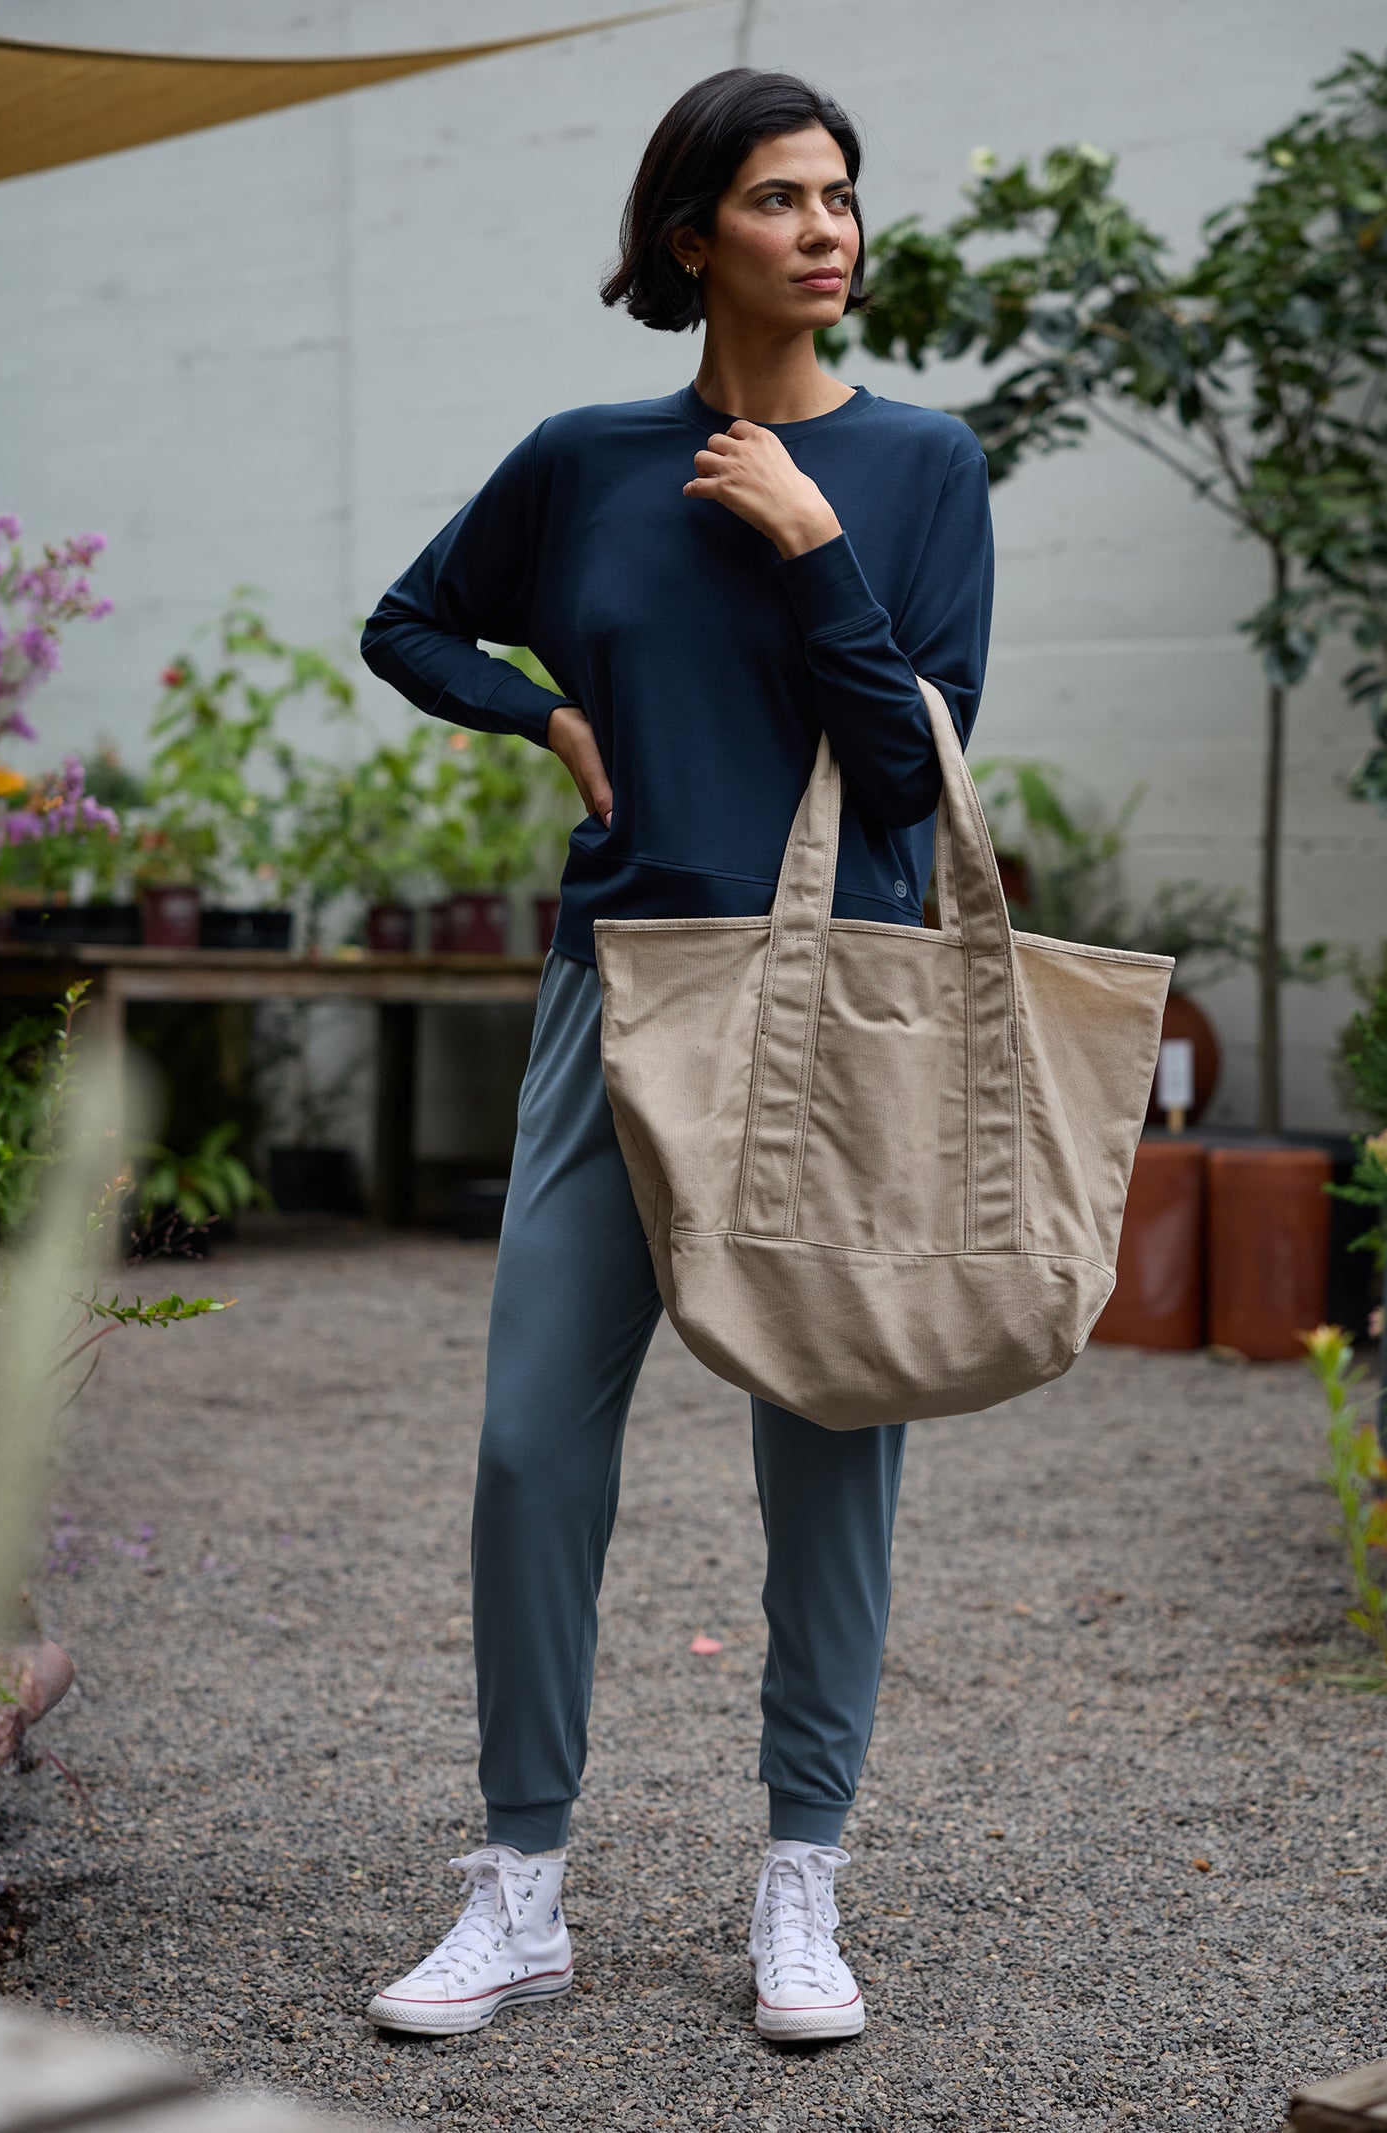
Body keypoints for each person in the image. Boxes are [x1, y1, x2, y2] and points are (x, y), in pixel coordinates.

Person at [357, 66, 993, 2046]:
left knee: (829, 1449)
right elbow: (409, 624)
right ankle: (520, 1879)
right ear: (685, 238)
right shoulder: (583, 457)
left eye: (841, 196)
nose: (827, 227)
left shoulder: (916, 470)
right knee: (533, 1441)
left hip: (827, 1012)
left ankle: (800, 1871)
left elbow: (907, 773)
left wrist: (812, 544)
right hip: (616, 988)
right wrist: (546, 715)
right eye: (780, 197)